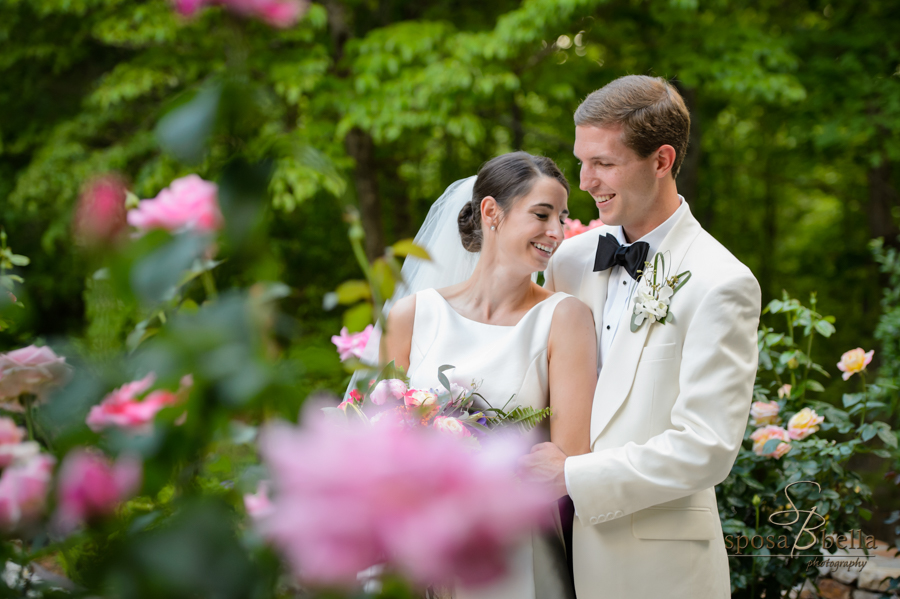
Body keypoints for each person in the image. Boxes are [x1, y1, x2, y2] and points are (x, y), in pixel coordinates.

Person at [520, 75, 762, 599]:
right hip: (551, 559)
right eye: (581, 161)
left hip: (658, 573)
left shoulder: (723, 282)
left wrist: (573, 476)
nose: (585, 182)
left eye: (604, 164)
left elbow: (706, 448)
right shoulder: (571, 260)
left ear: (662, 160)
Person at [382, 152, 598, 599]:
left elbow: (566, 462)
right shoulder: (412, 315)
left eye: (562, 217)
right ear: (491, 212)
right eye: (541, 215)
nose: (556, 233)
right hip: (421, 556)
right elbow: (381, 448)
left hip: (515, 557)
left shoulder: (565, 318)